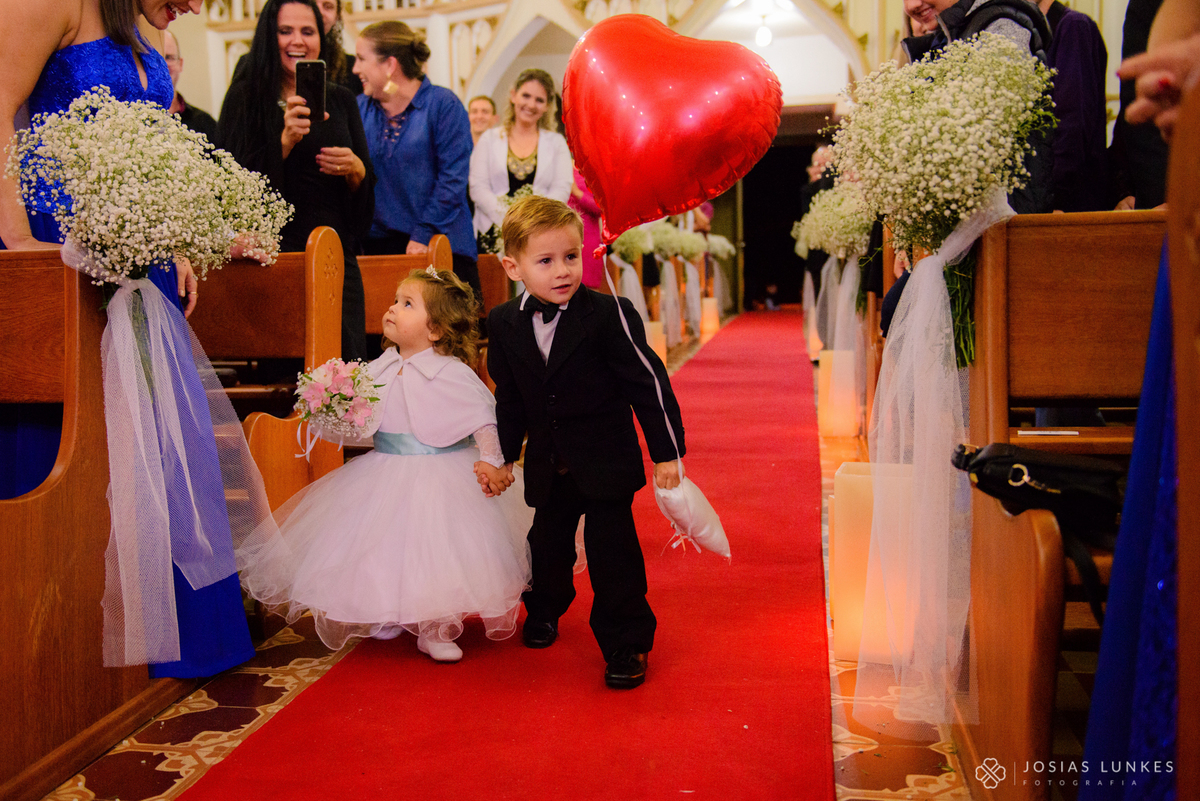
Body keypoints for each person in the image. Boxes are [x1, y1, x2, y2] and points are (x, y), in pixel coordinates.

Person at [0, 0, 269, 679]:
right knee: (67, 431)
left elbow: (148, 147)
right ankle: (61, 652)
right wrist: (21, 241)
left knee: (153, 440)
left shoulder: (142, 21)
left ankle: (166, 642)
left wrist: (173, 235)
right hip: (46, 245)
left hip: (131, 254)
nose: (193, 8)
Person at [236, 267, 532, 661]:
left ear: (436, 330)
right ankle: (391, 610)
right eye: (395, 300)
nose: (392, 309)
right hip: (385, 468)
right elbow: (362, 419)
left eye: (407, 304)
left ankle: (435, 625)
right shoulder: (378, 367)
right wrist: (330, 405)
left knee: (436, 550)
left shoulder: (453, 373)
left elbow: (484, 419)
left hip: (440, 475)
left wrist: (493, 461)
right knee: (382, 546)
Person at [485, 196, 686, 690]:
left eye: (571, 256)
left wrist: (666, 451)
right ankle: (545, 608)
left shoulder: (609, 313)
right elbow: (509, 399)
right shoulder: (505, 323)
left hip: (605, 462)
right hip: (549, 465)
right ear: (513, 266)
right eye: (546, 261)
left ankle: (626, 642)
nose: (562, 271)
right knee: (547, 548)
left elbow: (648, 381)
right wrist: (504, 456)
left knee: (614, 554)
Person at [217, 0, 374, 362]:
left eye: (308, 31)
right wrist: (283, 142)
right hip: (274, 258)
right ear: (268, 37)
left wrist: (356, 171)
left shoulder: (342, 99)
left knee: (346, 372)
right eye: (285, 31)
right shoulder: (246, 97)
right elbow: (231, 188)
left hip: (336, 256)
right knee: (284, 372)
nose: (297, 41)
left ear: (323, 37)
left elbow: (363, 210)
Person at [354, 21, 480, 303]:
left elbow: (453, 178)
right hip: (379, 250)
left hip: (441, 244)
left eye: (361, 59)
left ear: (389, 65)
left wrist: (424, 234)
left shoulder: (442, 104)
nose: (355, 69)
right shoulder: (360, 108)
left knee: (444, 343)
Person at [469, 68, 573, 252]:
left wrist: (534, 222)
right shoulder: (489, 139)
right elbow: (478, 187)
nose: (531, 104)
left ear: (548, 105)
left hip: (539, 233)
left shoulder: (556, 143)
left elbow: (561, 189)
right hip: (493, 232)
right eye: (526, 96)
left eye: (539, 100)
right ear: (513, 95)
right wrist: (509, 220)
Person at [1038, 0, 1109, 212]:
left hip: (1069, 203)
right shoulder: (1028, 31)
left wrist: (1058, 197)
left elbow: (1072, 123)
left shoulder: (1073, 25)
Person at [231, 0, 362, 95]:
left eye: (328, 6)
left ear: (337, 16)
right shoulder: (250, 66)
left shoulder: (351, 69)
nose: (320, 11)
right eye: (285, 31)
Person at [162, 29, 217, 142]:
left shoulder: (204, 123)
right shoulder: (134, 123)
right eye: (157, 58)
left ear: (180, 64)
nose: (163, 65)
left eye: (169, 57)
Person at [567, 167, 605, 288]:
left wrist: (577, 193)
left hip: (587, 236)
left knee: (586, 287)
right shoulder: (559, 165)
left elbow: (602, 208)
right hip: (562, 233)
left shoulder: (593, 171)